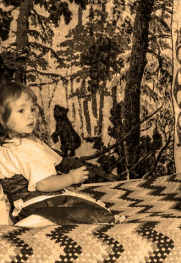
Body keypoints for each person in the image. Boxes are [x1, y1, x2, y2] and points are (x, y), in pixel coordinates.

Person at [0, 81, 123, 226]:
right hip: (40, 203)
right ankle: (42, 218)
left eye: (32, 109)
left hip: (20, 209)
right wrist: (71, 178)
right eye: (21, 111)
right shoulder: (27, 147)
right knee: (91, 211)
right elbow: (43, 184)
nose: (31, 116)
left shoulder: (6, 146)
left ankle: (32, 219)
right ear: (2, 118)